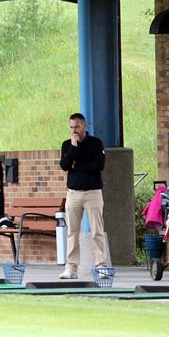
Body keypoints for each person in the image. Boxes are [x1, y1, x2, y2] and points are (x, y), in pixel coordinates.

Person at [58, 112, 109, 279]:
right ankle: (71, 267)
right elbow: (65, 165)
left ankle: (101, 266)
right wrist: (73, 148)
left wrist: (77, 165)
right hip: (73, 194)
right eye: (72, 127)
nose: (75, 130)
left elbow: (98, 165)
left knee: (97, 231)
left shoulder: (95, 143)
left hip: (93, 193)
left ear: (85, 126)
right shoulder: (67, 145)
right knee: (72, 232)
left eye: (77, 127)